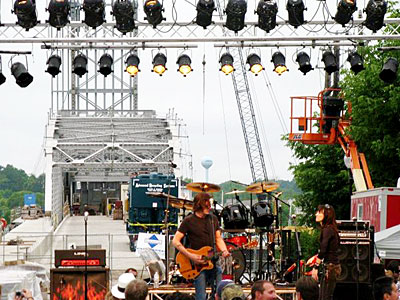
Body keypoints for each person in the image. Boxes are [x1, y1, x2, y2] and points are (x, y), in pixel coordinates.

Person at [172, 192, 230, 300]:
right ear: (199, 205)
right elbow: (175, 241)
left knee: (220, 292)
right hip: (197, 264)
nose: (209, 208)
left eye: (209, 205)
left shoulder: (213, 219)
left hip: (212, 260)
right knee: (201, 296)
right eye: (206, 206)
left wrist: (224, 250)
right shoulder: (188, 221)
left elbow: (218, 238)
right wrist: (191, 256)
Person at [311, 204, 341, 300]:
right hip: (332, 266)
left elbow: (323, 249)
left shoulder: (327, 230)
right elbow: (328, 249)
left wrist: (315, 267)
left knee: (325, 297)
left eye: (319, 212)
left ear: (326, 215)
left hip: (330, 267)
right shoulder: (331, 229)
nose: (316, 214)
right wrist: (315, 257)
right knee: (325, 296)